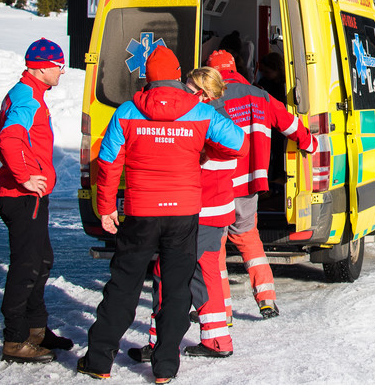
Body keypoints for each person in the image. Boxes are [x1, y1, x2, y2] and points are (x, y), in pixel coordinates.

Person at [78, 47, 246, 382]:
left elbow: (109, 163)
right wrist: (203, 146)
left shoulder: (127, 110)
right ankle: (165, 367)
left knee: (123, 286)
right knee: (176, 288)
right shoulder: (199, 112)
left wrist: (107, 207)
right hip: (183, 214)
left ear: (148, 77)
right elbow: (237, 142)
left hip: (141, 212)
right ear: (178, 73)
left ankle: (98, 361)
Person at [129, 67, 238, 362]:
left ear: (201, 93)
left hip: (198, 210)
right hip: (216, 211)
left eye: (187, 87)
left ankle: (157, 342)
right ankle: (217, 338)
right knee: (204, 275)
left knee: (166, 275)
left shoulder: (203, 121)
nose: (180, 91)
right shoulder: (222, 119)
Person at [206, 49, 319, 321]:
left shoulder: (209, 99)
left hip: (218, 184)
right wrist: (310, 143)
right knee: (249, 241)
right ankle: (266, 299)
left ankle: (222, 311)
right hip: (249, 186)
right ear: (236, 68)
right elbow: (290, 124)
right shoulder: (259, 95)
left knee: (215, 248)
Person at [0, 37, 73, 364]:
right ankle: (14, 340)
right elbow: (10, 137)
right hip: (23, 197)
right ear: (41, 67)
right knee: (26, 268)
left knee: (41, 262)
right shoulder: (27, 97)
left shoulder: (28, 93)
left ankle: (36, 329)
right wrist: (25, 175)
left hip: (30, 197)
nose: (62, 71)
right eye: (58, 65)